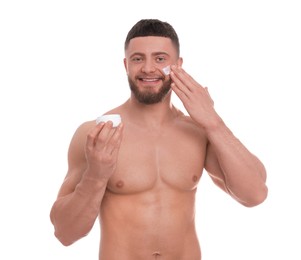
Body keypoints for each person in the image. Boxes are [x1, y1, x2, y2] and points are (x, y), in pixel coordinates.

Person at [50, 19, 268, 260]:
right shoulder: (99, 134)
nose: (148, 68)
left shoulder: (197, 131)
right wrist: (96, 175)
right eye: (138, 58)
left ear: (178, 65)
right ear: (126, 65)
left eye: (160, 59)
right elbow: (65, 233)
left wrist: (213, 121)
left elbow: (255, 194)